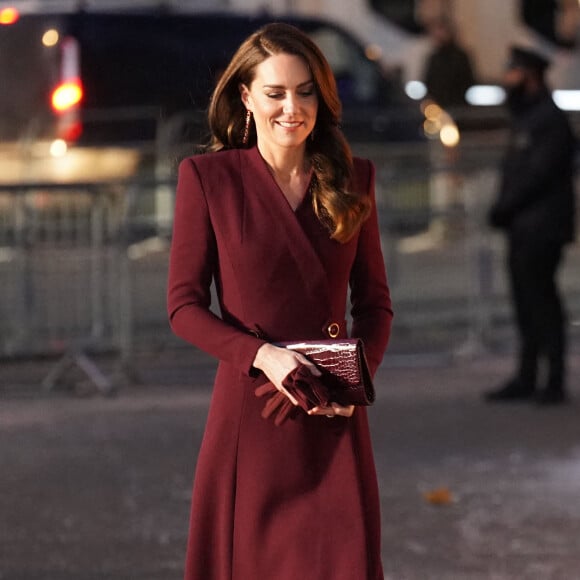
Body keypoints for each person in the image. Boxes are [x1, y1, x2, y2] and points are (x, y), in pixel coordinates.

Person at [167, 22, 393, 580]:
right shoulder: (206, 179)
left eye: (306, 90)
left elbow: (375, 304)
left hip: (333, 413)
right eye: (275, 92)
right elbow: (184, 306)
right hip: (252, 414)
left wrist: (356, 380)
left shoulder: (353, 179)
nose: (292, 107)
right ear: (246, 97)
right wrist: (261, 355)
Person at [484, 46, 577, 405]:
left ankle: (552, 380)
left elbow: (538, 174)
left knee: (542, 302)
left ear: (529, 75)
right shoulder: (528, 115)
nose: (507, 79)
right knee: (526, 302)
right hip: (524, 226)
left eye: (512, 72)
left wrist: (504, 207)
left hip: (541, 228)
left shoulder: (547, 119)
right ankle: (527, 375)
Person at [423, 17, 476, 109]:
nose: (438, 34)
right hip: (438, 106)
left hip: (459, 106)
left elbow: (468, 81)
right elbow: (429, 82)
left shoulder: (461, 56)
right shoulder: (434, 57)